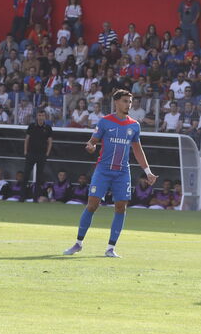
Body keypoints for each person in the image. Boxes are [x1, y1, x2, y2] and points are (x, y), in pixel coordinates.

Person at [63, 90, 158, 258]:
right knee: (92, 205)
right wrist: (91, 146)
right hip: (103, 170)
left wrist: (148, 172)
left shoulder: (134, 125)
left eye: (129, 101)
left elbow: (137, 150)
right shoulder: (105, 122)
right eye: (125, 101)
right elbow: (93, 141)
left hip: (122, 172)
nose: (128, 104)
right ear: (116, 102)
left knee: (121, 207)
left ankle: (110, 248)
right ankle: (78, 243)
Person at [23, 109, 53, 201]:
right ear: (37, 116)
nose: (41, 117)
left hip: (41, 155)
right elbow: (27, 139)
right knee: (26, 175)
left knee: (39, 178)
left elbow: (50, 142)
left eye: (42, 115)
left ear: (45, 117)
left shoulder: (48, 127)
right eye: (39, 115)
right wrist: (25, 151)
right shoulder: (32, 126)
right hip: (31, 154)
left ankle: (36, 198)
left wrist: (47, 154)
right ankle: (22, 197)